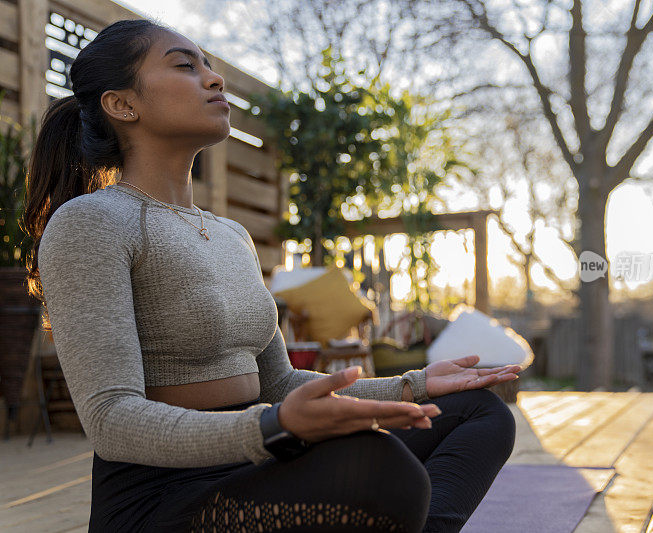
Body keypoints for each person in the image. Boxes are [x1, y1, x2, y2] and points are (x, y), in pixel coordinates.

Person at [23, 18, 521, 533]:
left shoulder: (232, 235)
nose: (214, 80)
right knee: (381, 472)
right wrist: (272, 427)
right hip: (162, 495)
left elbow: (277, 383)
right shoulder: (92, 224)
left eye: (211, 68)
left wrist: (410, 386)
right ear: (123, 104)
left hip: (256, 458)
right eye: (185, 67)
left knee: (475, 412)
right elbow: (111, 419)